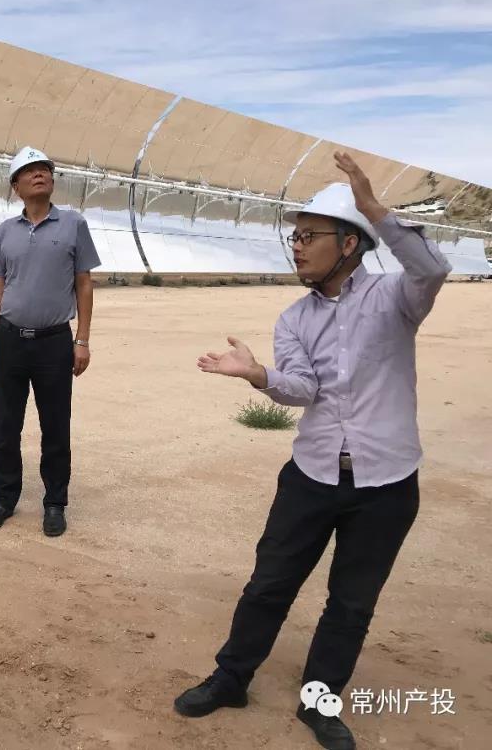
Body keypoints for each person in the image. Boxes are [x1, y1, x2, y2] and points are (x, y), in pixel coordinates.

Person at [173, 152, 452, 750]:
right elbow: (303, 390)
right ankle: (231, 678)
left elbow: (432, 267)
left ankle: (319, 702)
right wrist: (258, 375)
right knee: (268, 585)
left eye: (308, 237)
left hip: (386, 484)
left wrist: (375, 208)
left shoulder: (397, 298)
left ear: (349, 244)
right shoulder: (294, 319)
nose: (296, 248)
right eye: (294, 238)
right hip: (311, 476)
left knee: (351, 603)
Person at [0, 146, 101, 537]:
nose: (39, 174)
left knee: (56, 426)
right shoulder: (4, 232)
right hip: (10, 340)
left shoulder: (73, 225)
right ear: (16, 186)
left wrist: (82, 340)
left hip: (54, 343)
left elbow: (84, 284)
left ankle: (55, 503)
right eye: (30, 171)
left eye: (45, 169)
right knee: (6, 426)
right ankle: (3, 498)